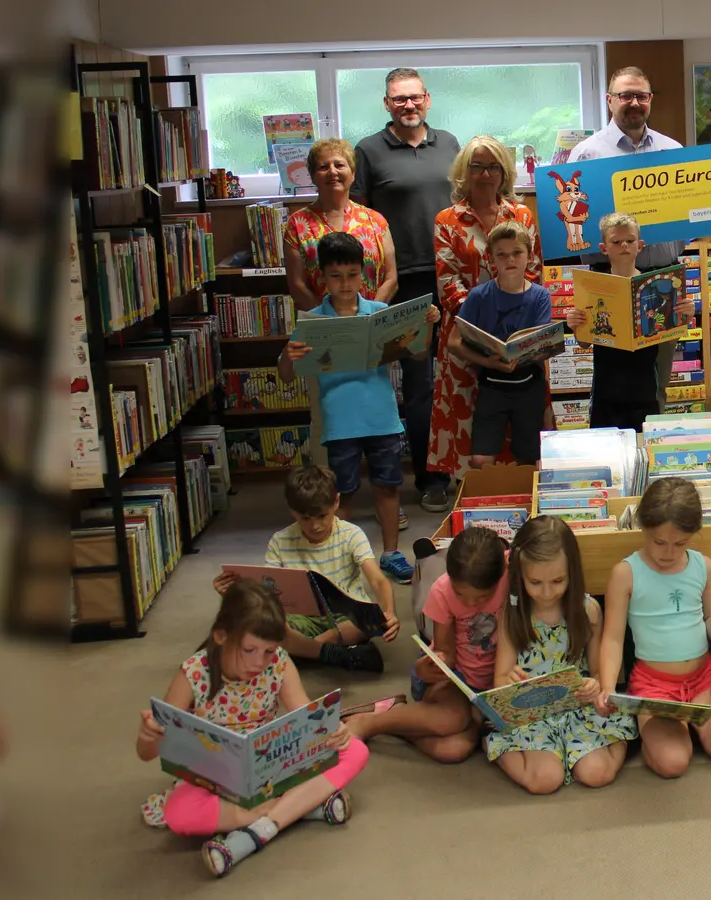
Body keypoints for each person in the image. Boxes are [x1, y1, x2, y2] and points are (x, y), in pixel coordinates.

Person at [136, 581, 369, 878]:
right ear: (221, 636)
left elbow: (305, 716)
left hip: (270, 768)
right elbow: (149, 752)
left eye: (269, 651)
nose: (260, 662)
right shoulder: (193, 674)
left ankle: (256, 831)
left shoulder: (279, 664)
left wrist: (332, 730)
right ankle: (296, 810)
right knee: (178, 813)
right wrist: (148, 737)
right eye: (249, 650)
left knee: (355, 750)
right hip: (215, 780)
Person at [280, 232, 438, 585]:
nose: (345, 283)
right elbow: (286, 374)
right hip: (340, 422)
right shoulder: (313, 321)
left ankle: (391, 554)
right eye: (336, 276)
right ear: (323, 276)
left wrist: (424, 326)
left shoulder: (380, 314)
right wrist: (289, 357)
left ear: (363, 274)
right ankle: (340, 557)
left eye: (352, 274)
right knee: (342, 493)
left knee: (388, 487)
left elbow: (417, 355)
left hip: (382, 418)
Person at [352, 67, 461, 513]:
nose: (408, 105)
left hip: (453, 276)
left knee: (461, 375)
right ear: (387, 104)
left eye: (415, 97)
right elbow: (360, 220)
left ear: (427, 99)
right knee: (420, 385)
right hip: (405, 283)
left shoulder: (449, 143)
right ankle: (431, 479)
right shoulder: (368, 150)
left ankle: (469, 467)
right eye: (399, 99)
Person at [595, 478, 711, 778]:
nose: (668, 553)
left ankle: (686, 727)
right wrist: (608, 687)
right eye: (659, 542)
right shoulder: (626, 573)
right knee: (673, 764)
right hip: (654, 687)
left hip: (703, 679)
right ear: (643, 527)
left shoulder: (703, 566)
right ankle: (662, 731)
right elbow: (612, 638)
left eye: (680, 544)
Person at [487, 517, 636, 793]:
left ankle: (609, 744)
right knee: (545, 780)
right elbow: (500, 680)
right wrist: (508, 680)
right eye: (535, 582)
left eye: (557, 581)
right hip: (532, 716)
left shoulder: (588, 611)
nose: (546, 593)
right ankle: (501, 748)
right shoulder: (513, 614)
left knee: (598, 774)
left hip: (578, 710)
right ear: (520, 577)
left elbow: (599, 672)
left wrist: (595, 685)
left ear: (572, 574)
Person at [431, 135, 546, 482]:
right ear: (463, 172)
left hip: (519, 332)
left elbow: (533, 270)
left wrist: (512, 327)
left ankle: (522, 491)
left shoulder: (521, 215)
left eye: (493, 167)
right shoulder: (447, 220)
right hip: (466, 334)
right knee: (472, 426)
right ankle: (473, 495)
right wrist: (483, 327)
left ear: (504, 172)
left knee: (523, 423)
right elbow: (447, 280)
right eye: (477, 166)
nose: (485, 174)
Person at [211, 465, 401, 672]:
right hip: (300, 618)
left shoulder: (351, 534)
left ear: (336, 502)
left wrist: (389, 611)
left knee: (369, 620)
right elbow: (266, 595)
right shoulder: (280, 541)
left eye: (322, 516)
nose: (315, 526)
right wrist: (230, 593)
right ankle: (330, 652)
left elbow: (378, 580)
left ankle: (302, 650)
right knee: (262, 622)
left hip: (345, 617)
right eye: (306, 518)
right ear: (292, 511)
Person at [569, 66, 683, 413]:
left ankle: (652, 443)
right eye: (625, 95)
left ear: (650, 100)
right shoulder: (586, 155)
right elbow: (574, 228)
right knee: (611, 381)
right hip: (609, 282)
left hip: (661, 279)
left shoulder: (673, 151)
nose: (634, 103)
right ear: (609, 100)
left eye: (641, 96)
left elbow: (689, 219)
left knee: (657, 383)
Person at [343, 526, 509, 762]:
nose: (471, 603)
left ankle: (402, 719)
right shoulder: (443, 590)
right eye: (461, 594)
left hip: (495, 684)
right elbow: (445, 651)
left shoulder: (510, 570)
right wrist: (432, 666)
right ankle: (371, 723)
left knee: (454, 749)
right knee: (453, 719)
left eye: (482, 597)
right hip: (456, 680)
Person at [566, 213, 693, 432]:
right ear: (604, 248)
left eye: (630, 240)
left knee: (644, 443)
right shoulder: (592, 288)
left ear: (640, 245)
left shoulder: (654, 287)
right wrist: (576, 324)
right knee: (606, 446)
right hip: (606, 390)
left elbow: (669, 334)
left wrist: (685, 315)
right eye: (616, 242)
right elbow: (584, 342)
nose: (624, 245)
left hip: (645, 389)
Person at [446, 221, 551, 467]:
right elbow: (453, 342)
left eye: (517, 252)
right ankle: (490, 491)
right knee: (481, 458)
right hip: (492, 383)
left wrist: (529, 354)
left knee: (530, 457)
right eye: (501, 254)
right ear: (491, 259)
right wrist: (487, 361)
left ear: (529, 256)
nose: (510, 259)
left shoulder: (540, 295)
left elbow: (543, 344)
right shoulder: (478, 296)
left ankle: (525, 491)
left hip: (529, 385)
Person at [284, 138, 396, 313]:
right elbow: (297, 285)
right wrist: (330, 321)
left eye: (340, 165)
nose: (332, 172)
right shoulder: (297, 225)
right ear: (312, 176)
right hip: (323, 325)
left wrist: (369, 317)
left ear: (353, 174)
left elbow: (391, 278)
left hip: (372, 321)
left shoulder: (376, 221)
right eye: (323, 167)